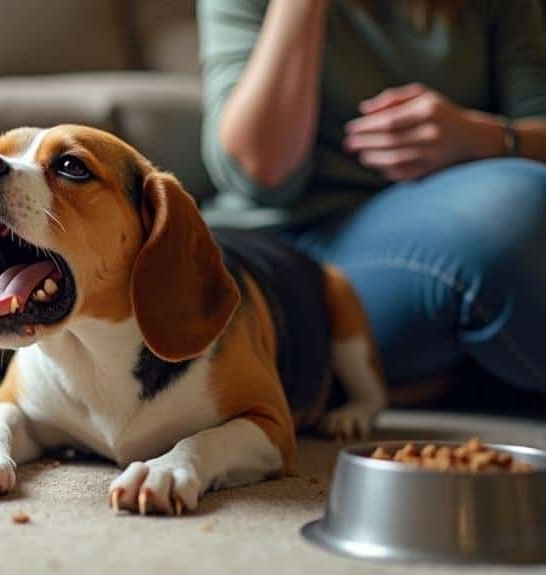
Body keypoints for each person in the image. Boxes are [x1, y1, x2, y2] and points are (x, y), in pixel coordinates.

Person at [198, 0, 546, 392]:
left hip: (448, 221)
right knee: (512, 210)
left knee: (524, 203)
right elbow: (263, 175)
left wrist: (478, 137)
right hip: (300, 256)